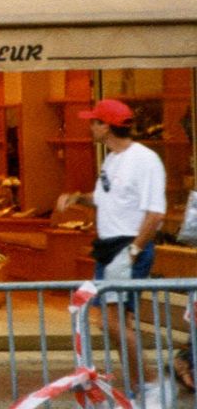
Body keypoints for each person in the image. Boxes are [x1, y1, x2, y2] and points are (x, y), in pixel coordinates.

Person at [56, 98, 166, 389]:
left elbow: (155, 213)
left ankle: (149, 385)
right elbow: (105, 199)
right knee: (115, 324)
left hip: (126, 248)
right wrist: (79, 198)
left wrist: (133, 251)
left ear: (106, 126)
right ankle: (139, 385)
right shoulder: (111, 158)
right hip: (111, 249)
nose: (90, 126)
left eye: (94, 121)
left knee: (112, 323)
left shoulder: (144, 159)